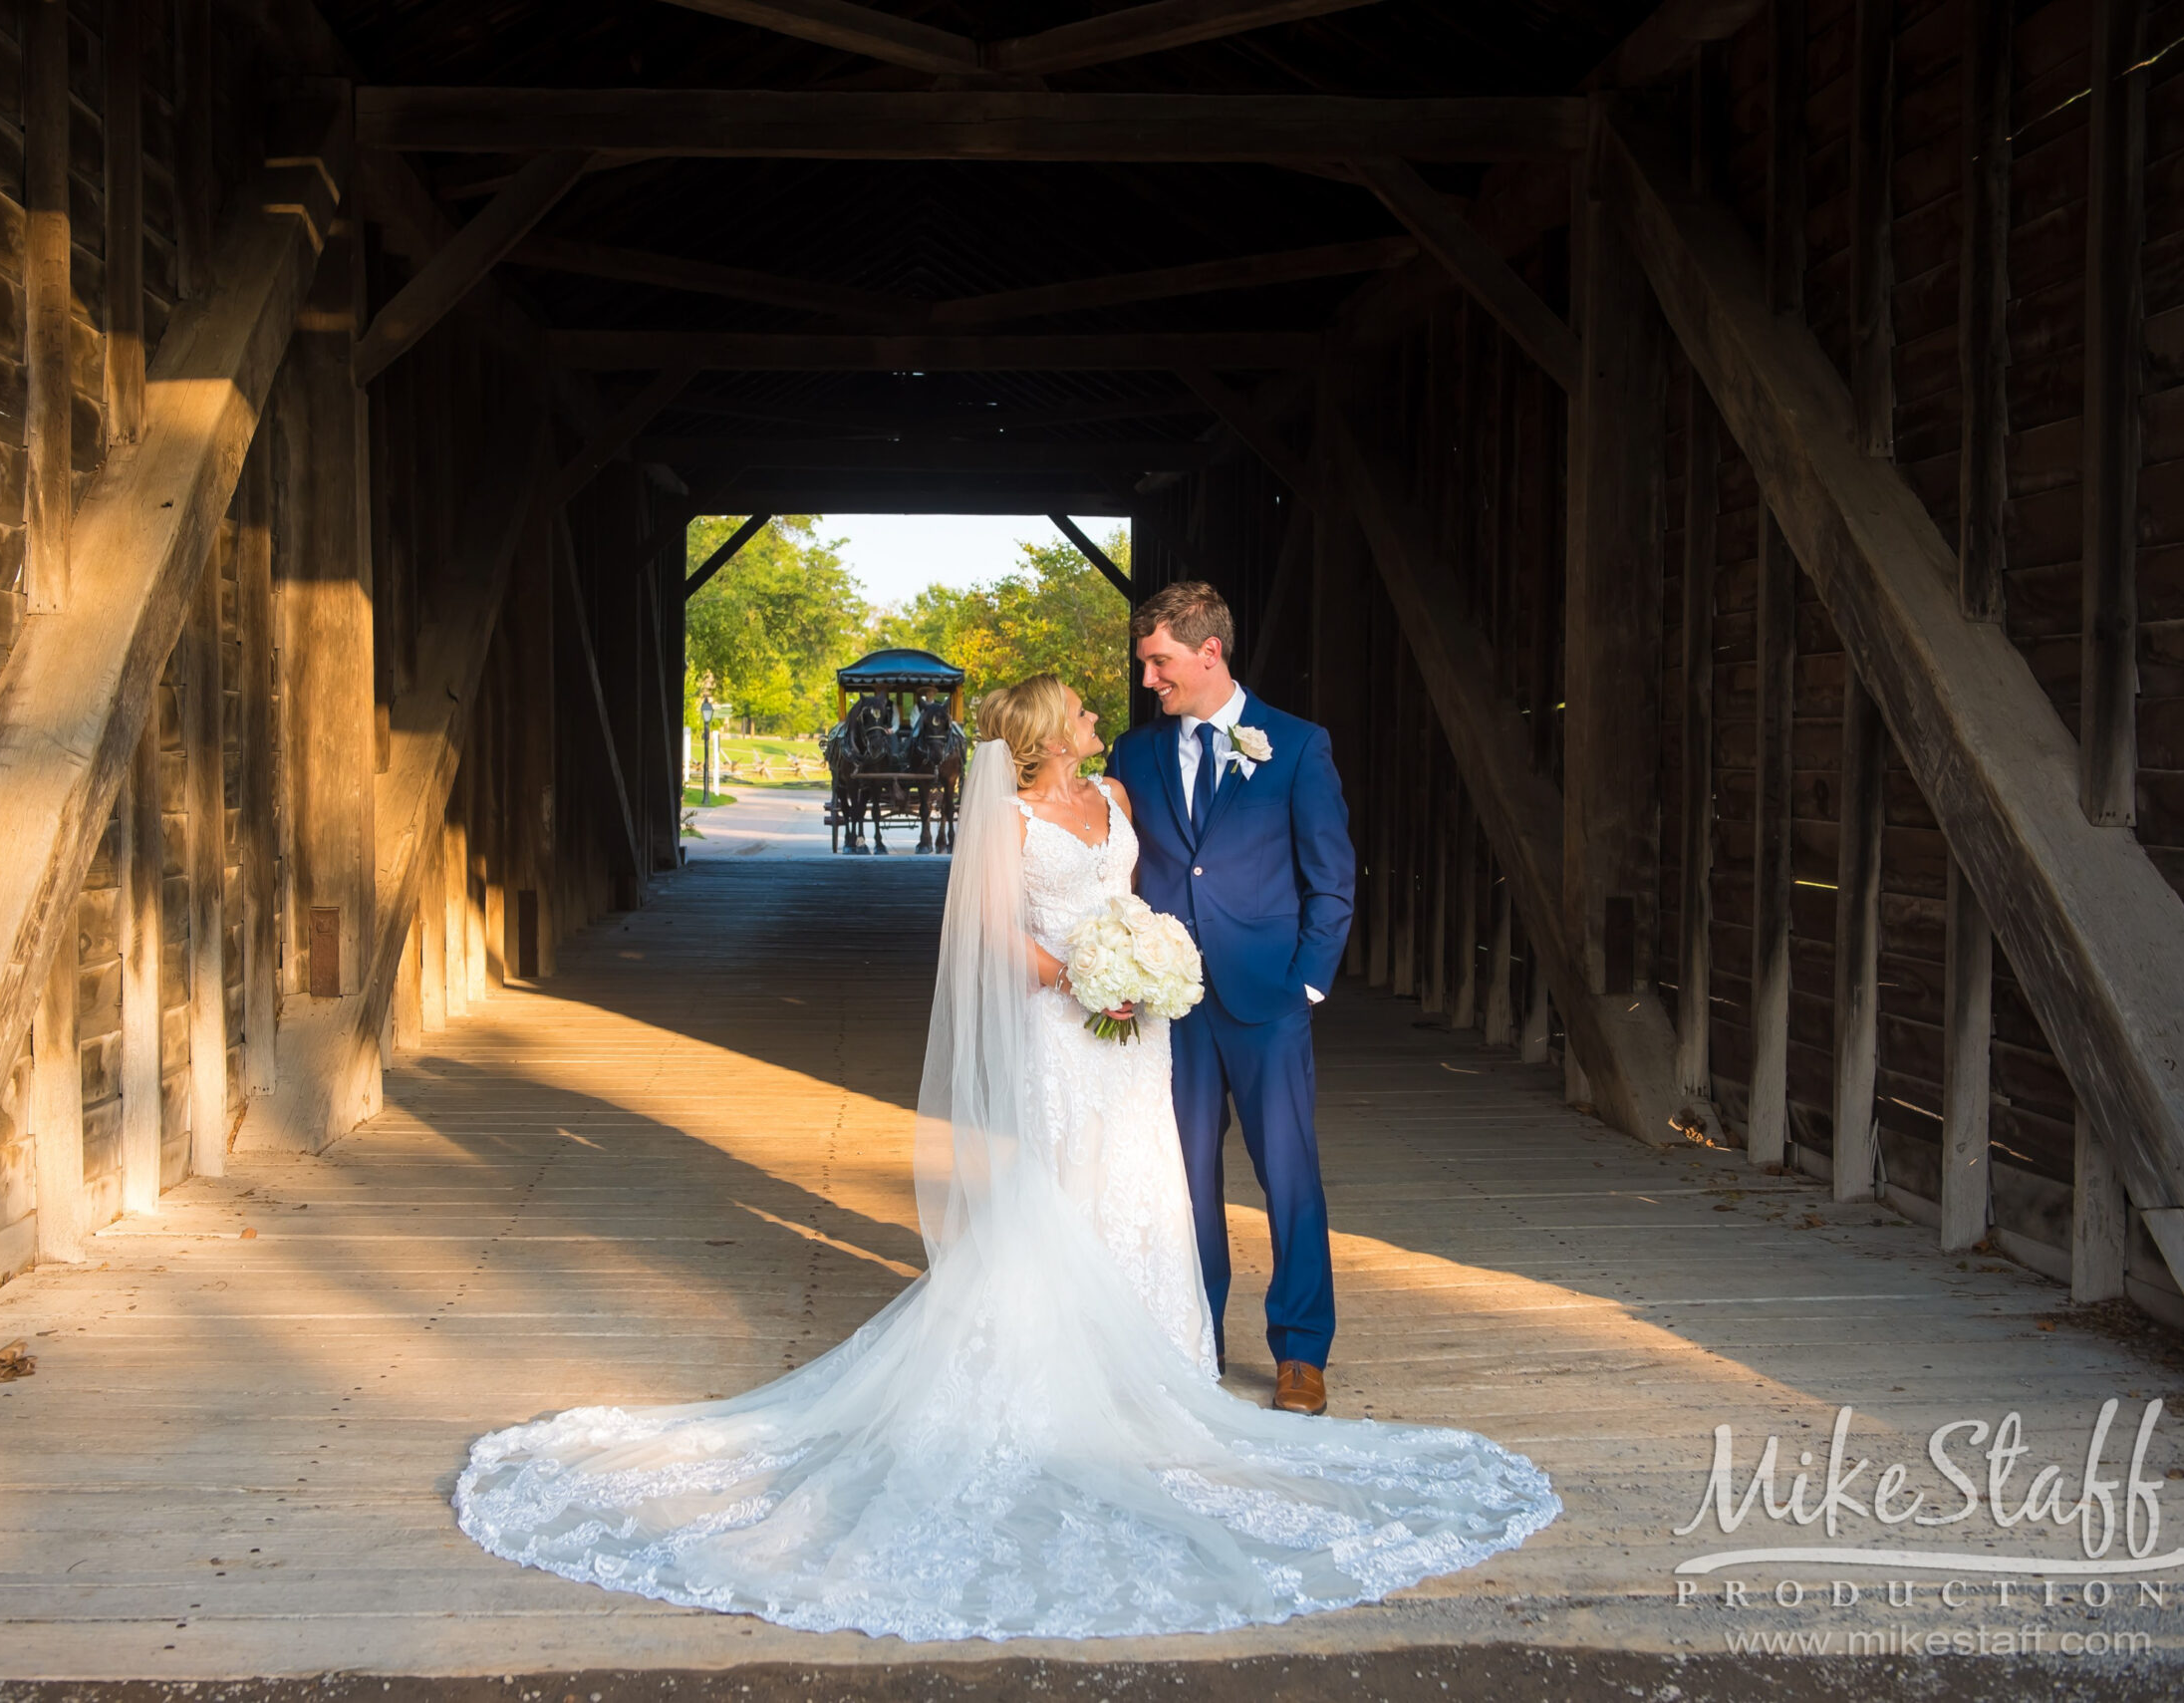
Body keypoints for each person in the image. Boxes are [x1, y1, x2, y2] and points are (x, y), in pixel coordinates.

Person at [453, 674, 1556, 1641]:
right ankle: (1064, 1375)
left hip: (1138, 1032)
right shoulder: (1014, 821)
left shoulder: (1120, 793)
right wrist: (1084, 976)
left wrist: (1157, 959)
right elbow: (995, 938)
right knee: (1066, 1192)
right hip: (1064, 1027)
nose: (1101, 707)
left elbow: (1161, 886)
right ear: (1045, 732)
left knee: (1150, 1189)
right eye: (1079, 705)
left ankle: (1167, 1369)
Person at [1105, 581, 1354, 1417]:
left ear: (1210, 652)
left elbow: (1332, 876)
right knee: (1184, 1180)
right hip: (1168, 1008)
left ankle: (1301, 1352)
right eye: (1146, 663)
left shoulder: (1295, 744)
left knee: (1290, 1176)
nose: (1148, 680)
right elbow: (1120, 870)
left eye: (1160, 662)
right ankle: (1194, 1334)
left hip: (1268, 997)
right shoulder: (1133, 756)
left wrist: (1309, 978)